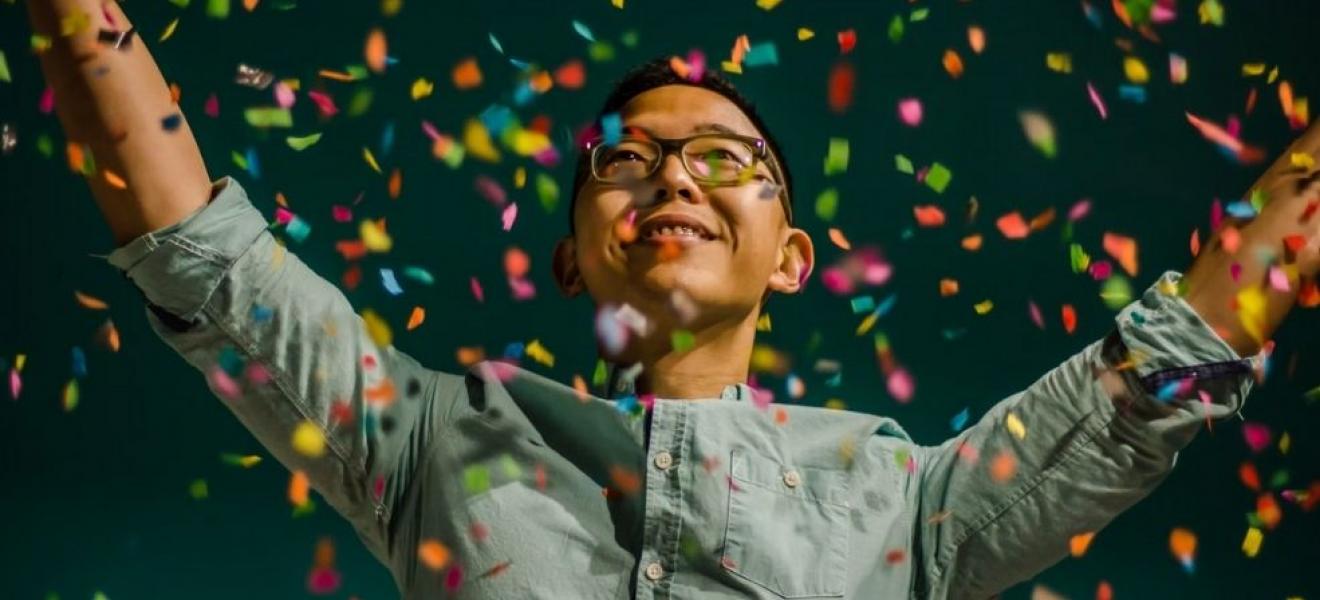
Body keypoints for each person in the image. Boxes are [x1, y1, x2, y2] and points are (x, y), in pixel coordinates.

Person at [27, 0, 1320, 598]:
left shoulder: (913, 505)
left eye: (727, 160)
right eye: (628, 160)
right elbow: (195, 242)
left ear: (795, 255)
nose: (676, 180)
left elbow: (1170, 366)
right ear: (575, 254)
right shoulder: (431, 439)